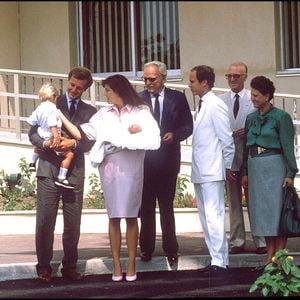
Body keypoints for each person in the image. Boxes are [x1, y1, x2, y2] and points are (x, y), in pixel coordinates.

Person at [77, 74, 161, 282]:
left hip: (132, 169)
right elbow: (86, 133)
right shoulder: (103, 113)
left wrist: (130, 133)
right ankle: (116, 264)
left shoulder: (141, 112)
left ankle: (131, 264)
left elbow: (152, 137)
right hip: (110, 170)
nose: (105, 94)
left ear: (119, 91)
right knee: (114, 216)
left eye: (107, 90)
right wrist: (59, 121)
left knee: (131, 216)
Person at [28, 67, 97, 283]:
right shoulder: (51, 102)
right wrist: (46, 143)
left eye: (80, 87)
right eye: (72, 85)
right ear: (67, 81)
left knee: (72, 223)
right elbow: (32, 133)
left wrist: (73, 143)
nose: (75, 90)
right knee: (45, 222)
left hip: (74, 173)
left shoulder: (90, 111)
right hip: (48, 170)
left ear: (85, 89)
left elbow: (90, 141)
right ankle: (44, 268)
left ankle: (70, 266)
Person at [138, 61, 193, 266]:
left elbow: (188, 126)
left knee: (166, 207)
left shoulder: (177, 98)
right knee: (146, 208)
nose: (148, 82)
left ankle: (171, 248)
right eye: (145, 79)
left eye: (152, 79)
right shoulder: (139, 99)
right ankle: (146, 248)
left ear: (162, 78)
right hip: (145, 161)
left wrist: (175, 135)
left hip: (168, 160)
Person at [241, 76, 298, 269]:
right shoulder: (250, 118)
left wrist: (290, 173)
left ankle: (279, 257)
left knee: (277, 212)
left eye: (257, 95)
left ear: (267, 96)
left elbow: (288, 147)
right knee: (262, 213)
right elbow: (246, 148)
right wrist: (244, 172)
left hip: (275, 167)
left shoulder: (281, 117)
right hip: (255, 167)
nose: (253, 99)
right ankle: (269, 255)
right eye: (252, 95)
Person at [188, 65, 235, 275]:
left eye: (192, 81)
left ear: (204, 82)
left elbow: (226, 139)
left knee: (214, 217)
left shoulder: (215, 104)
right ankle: (216, 258)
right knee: (206, 218)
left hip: (213, 169)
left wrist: (227, 167)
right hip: (201, 169)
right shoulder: (202, 104)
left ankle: (220, 262)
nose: (189, 85)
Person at [218, 62, 267, 255]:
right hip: (229, 158)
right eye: (229, 76)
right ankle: (237, 240)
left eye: (236, 76)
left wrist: (247, 131)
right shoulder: (220, 100)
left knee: (254, 199)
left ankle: (261, 239)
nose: (232, 79)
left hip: (250, 157)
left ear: (245, 77)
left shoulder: (253, 99)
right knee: (234, 201)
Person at [27, 83, 75, 189]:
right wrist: (56, 137)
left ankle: (32, 162)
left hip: (41, 134)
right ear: (55, 97)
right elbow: (52, 124)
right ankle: (61, 177)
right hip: (52, 137)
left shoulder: (39, 108)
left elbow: (31, 122)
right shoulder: (53, 109)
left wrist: (41, 126)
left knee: (38, 147)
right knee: (69, 155)